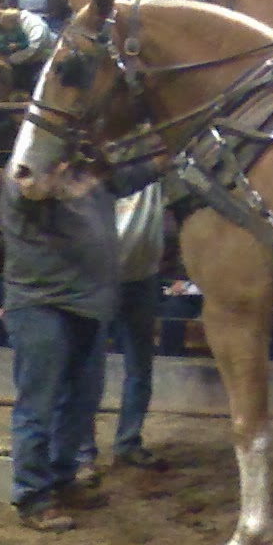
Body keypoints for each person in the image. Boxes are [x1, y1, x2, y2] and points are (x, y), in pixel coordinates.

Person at [0, 162, 121, 532]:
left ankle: (60, 479)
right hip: (41, 303)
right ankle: (33, 495)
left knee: (80, 400)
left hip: (88, 301)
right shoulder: (24, 184)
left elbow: (124, 176)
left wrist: (162, 158)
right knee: (38, 403)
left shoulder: (84, 177)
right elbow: (2, 188)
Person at [81, 169, 171, 476]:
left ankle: (126, 443)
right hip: (97, 281)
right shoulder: (93, 178)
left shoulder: (154, 176)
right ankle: (83, 451)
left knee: (138, 368)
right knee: (89, 370)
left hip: (140, 280)